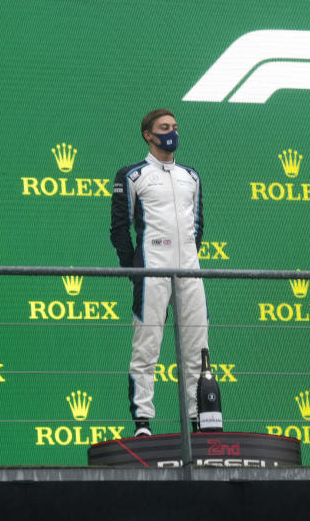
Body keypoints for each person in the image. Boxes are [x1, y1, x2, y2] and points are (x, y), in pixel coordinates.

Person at [110, 109, 208, 436]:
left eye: (175, 127)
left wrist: (188, 256)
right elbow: (119, 230)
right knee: (147, 346)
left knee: (197, 348)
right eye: (164, 128)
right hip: (151, 268)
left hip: (190, 271)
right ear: (148, 135)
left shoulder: (191, 176)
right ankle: (142, 423)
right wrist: (134, 269)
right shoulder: (132, 175)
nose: (172, 132)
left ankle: (200, 421)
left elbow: (198, 226)